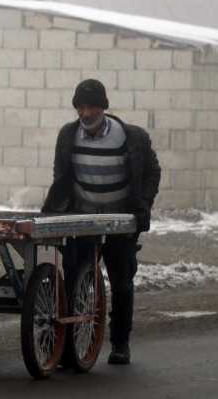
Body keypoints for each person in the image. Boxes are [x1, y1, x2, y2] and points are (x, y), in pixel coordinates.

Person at [41, 78, 161, 365]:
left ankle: (120, 344)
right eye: (80, 107)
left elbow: (152, 172)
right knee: (76, 282)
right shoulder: (68, 135)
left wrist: (142, 206)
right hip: (83, 221)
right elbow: (61, 174)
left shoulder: (131, 137)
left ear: (103, 107)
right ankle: (68, 348)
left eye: (91, 107)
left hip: (120, 223)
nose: (85, 113)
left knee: (122, 284)